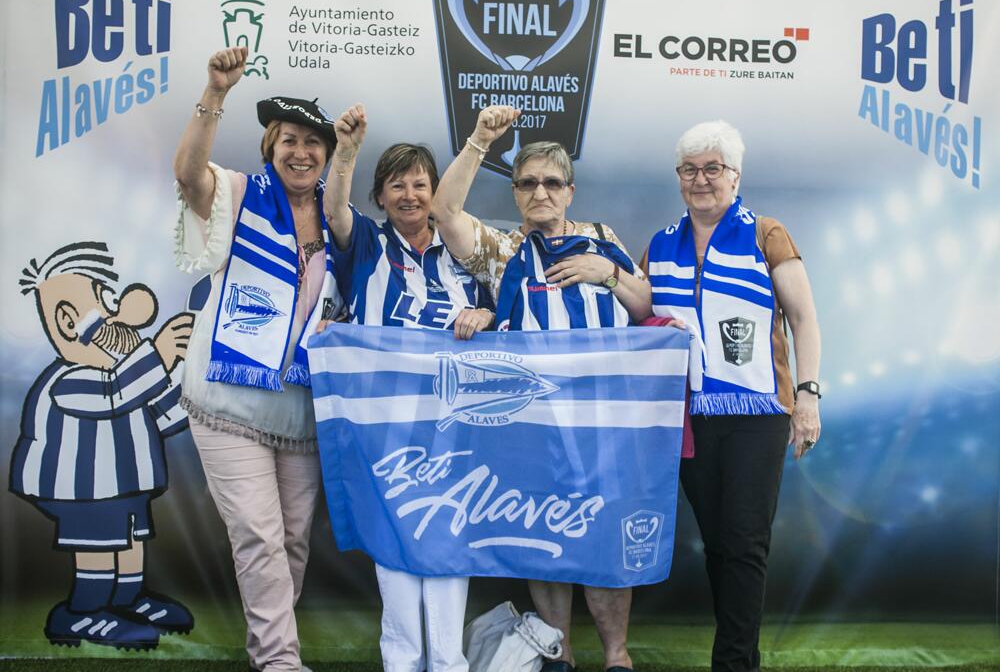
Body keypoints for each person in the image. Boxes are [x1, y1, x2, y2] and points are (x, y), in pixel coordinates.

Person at [429, 105, 651, 672]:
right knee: (545, 537)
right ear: (515, 194)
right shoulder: (502, 251)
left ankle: (617, 656)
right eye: (527, 183)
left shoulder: (602, 239)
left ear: (570, 192)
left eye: (552, 183)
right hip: (532, 426)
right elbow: (444, 210)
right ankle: (560, 653)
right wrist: (480, 139)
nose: (540, 192)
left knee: (603, 538)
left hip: (603, 424)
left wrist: (608, 274)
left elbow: (644, 305)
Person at [173, 46, 342, 672]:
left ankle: (268, 652)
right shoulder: (240, 193)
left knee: (291, 542)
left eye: (313, 142)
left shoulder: (339, 218)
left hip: (300, 410)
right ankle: (279, 662)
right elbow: (189, 176)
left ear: (327, 154)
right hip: (229, 402)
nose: (301, 152)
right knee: (260, 536)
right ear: (271, 145)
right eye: (289, 139)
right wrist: (215, 92)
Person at [643, 120, 821, 672]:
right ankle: (744, 655)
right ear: (679, 177)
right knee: (719, 544)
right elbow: (639, 314)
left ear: (735, 176)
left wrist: (809, 397)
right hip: (688, 415)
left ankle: (734, 663)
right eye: (689, 169)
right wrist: (606, 275)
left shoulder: (766, 233)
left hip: (757, 413)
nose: (701, 180)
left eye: (712, 168)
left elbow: (803, 319)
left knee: (745, 542)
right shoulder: (660, 244)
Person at [322, 103, 493, 672]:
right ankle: (402, 661)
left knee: (447, 536)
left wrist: (487, 315)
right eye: (397, 185)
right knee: (394, 538)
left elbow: (505, 309)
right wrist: (346, 152)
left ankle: (447, 662)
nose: (410, 195)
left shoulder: (465, 249)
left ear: (436, 191)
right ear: (380, 196)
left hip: (454, 422)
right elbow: (334, 210)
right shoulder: (367, 245)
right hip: (384, 423)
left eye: (421, 184)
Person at [10, 242, 193, 649]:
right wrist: (159, 355)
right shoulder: (68, 379)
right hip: (82, 490)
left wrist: (184, 376)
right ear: (68, 320)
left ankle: (128, 599)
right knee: (98, 541)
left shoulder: (127, 374)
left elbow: (165, 413)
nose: (122, 314)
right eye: (108, 302)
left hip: (125, 485)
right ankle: (81, 612)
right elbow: (115, 394)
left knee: (131, 538)